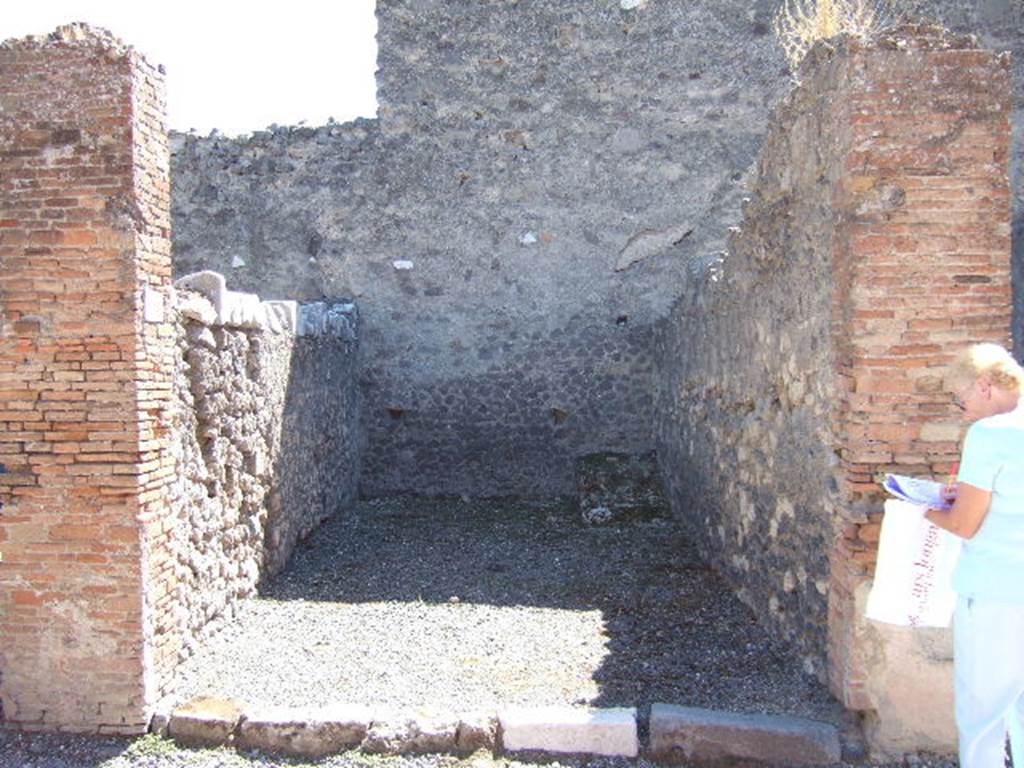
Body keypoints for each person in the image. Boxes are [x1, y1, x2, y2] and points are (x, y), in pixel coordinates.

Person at [925, 342, 1024, 768]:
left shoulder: (990, 434)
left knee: (983, 713)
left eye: (961, 399)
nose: (962, 411)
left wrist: (927, 510)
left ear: (985, 387)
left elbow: (965, 524)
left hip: (995, 593)